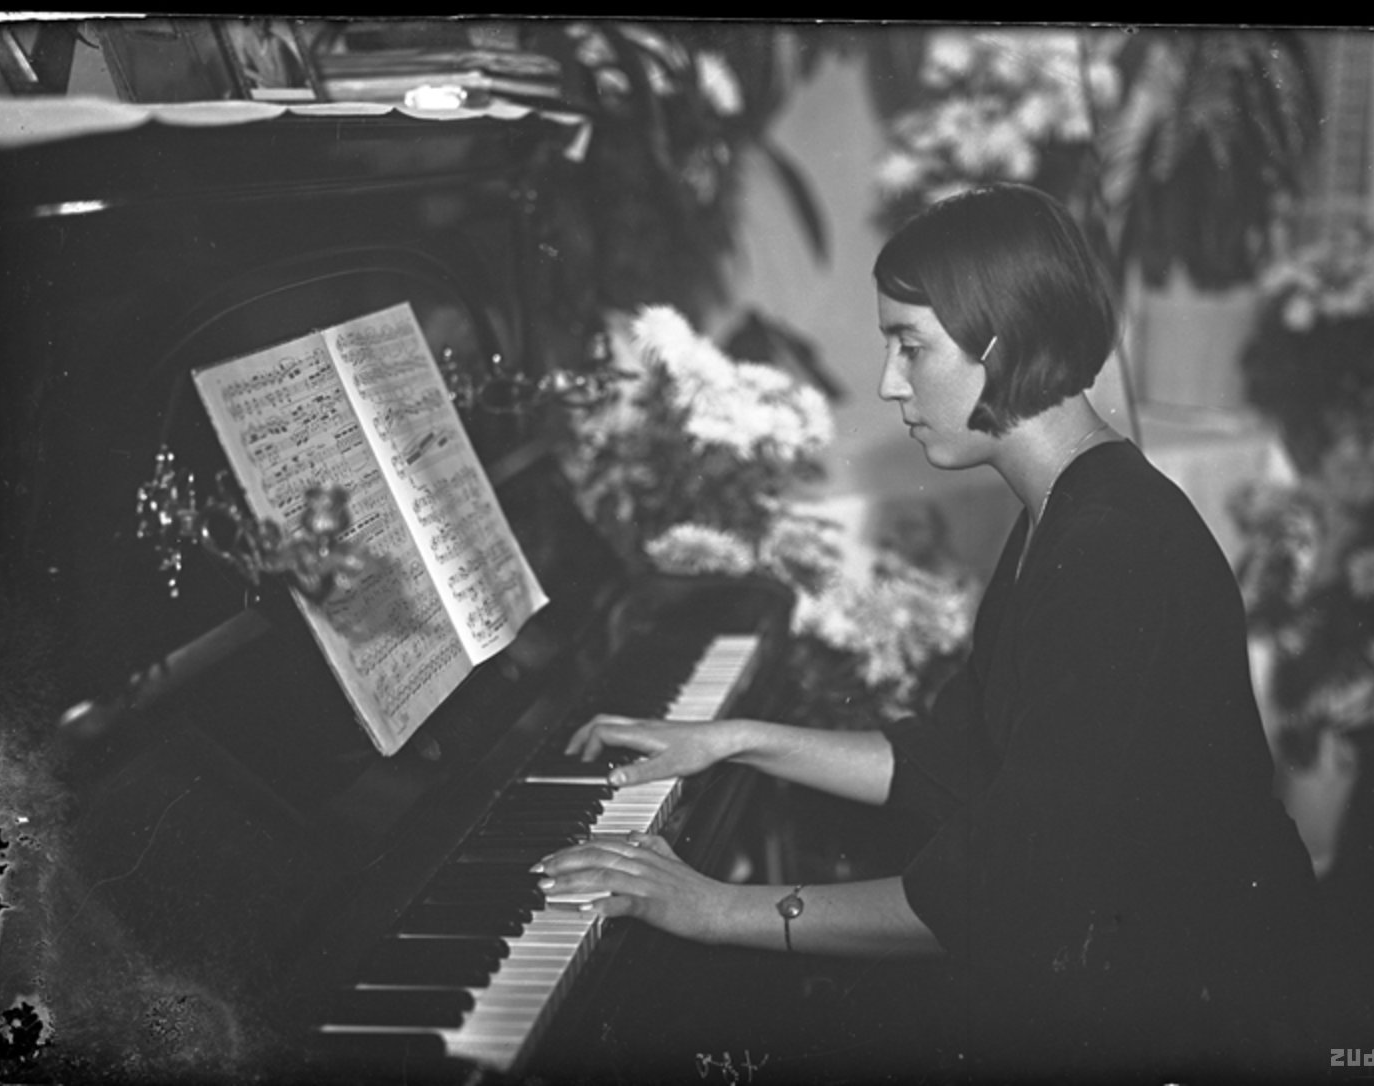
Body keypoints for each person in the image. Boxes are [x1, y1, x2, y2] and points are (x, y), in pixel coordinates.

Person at [535, 183, 1322, 1081]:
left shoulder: (1111, 550)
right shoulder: (1071, 506)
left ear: (1001, 345)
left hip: (1190, 1016)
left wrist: (714, 909)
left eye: (910, 346)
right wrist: (737, 740)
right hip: (1139, 971)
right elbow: (952, 756)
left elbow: (1003, 897)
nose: (888, 382)